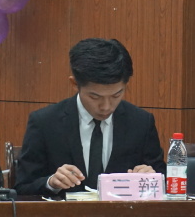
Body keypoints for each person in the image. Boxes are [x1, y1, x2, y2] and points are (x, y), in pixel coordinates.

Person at [15, 38, 166, 196]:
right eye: (95, 97)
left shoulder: (141, 122)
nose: (106, 106)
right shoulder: (45, 122)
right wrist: (51, 183)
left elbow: (165, 185)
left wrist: (152, 178)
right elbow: (23, 188)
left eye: (116, 95)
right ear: (75, 84)